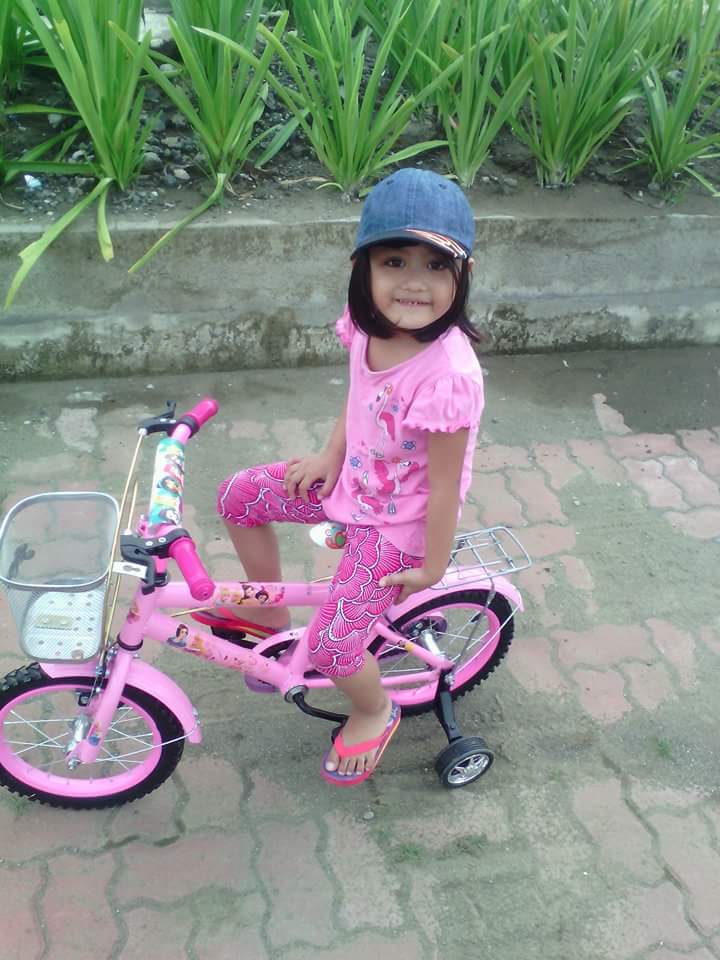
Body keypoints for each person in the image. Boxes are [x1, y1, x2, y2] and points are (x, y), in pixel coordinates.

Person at [215, 168, 484, 786]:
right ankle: (270, 620)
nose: (413, 282)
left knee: (335, 647)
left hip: (400, 525)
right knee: (238, 496)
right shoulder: (367, 326)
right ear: (362, 267)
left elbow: (445, 488)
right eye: (394, 261)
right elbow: (360, 399)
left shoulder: (448, 376)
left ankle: (373, 708)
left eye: (436, 266)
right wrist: (327, 457)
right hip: (350, 485)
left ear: (462, 275)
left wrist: (431, 566)